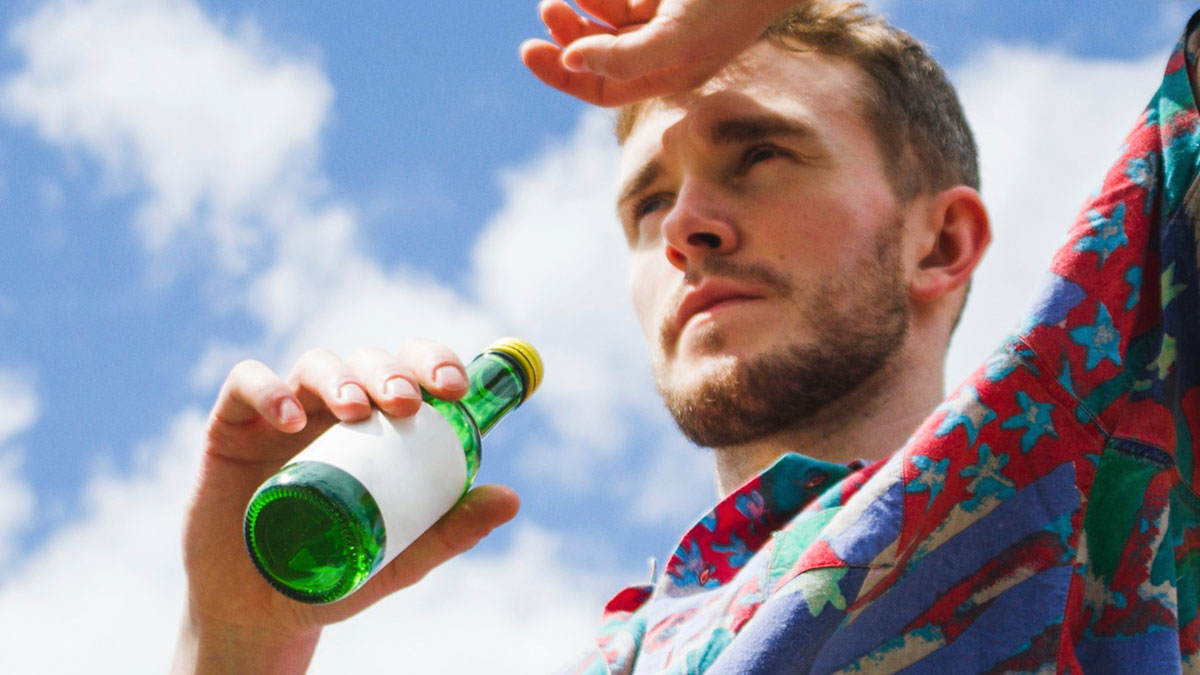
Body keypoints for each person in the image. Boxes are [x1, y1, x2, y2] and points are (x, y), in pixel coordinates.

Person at [172, 1, 1200, 672]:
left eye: (760, 153)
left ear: (940, 241)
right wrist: (236, 640)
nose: (686, 229)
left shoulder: (1084, 448)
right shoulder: (615, 651)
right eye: (647, 204)